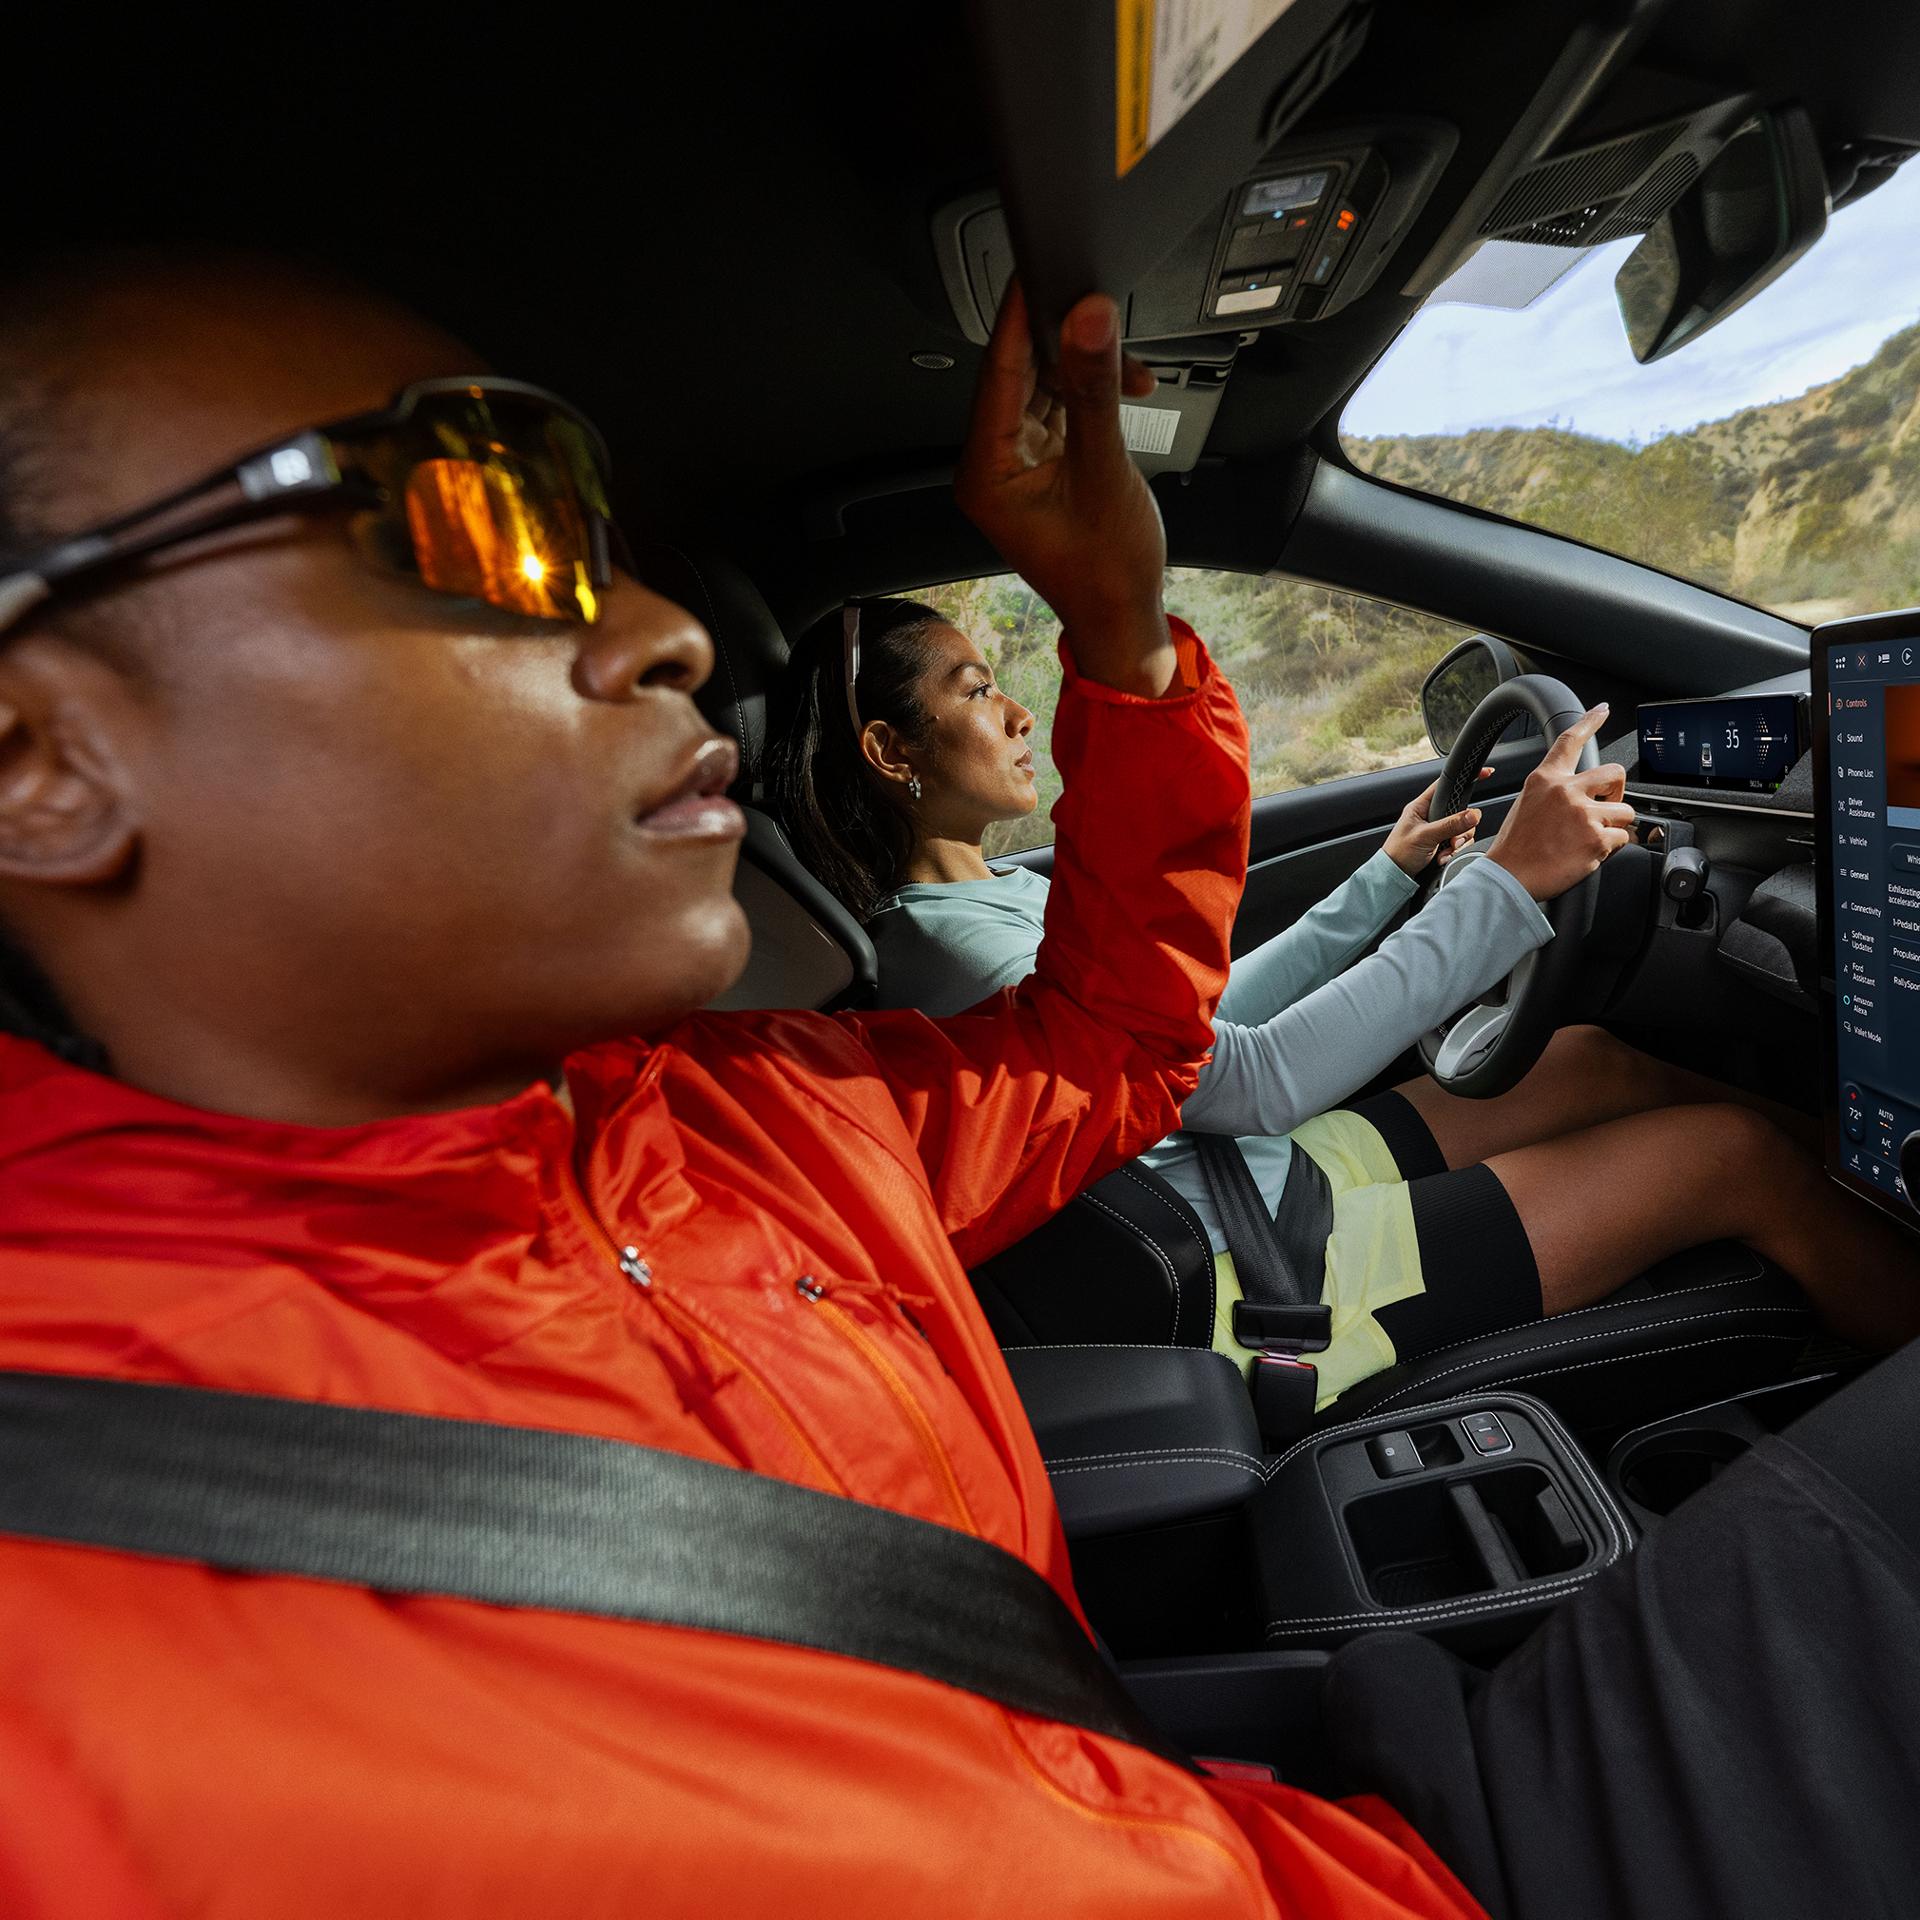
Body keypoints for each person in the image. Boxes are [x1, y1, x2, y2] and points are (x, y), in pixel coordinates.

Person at [1, 253, 1919, 1920]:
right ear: (39, 764)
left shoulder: (736, 1116)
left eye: (593, 546)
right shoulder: (78, 1615)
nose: (656, 631)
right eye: (469, 525)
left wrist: (1126, 637)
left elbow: (1118, 1051)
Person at [772, 601, 1920, 1390]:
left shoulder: (987, 903)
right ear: (890, 751)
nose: (1022, 713)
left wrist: (1388, 878)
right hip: (1258, 1278)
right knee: (1728, 1156)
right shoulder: (954, 957)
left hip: (1247, 1187)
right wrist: (1511, 883)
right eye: (979, 691)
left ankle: (1883, 1206)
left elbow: (1190, 1030)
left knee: (1592, 1060)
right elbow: (1256, 1078)